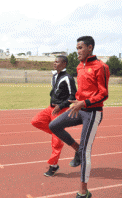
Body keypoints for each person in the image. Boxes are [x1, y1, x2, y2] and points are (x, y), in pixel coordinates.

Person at [49, 36, 110, 198]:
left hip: (93, 112)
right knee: (54, 126)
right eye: (77, 48)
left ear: (90, 48)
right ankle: (76, 149)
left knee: (86, 152)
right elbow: (81, 90)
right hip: (79, 108)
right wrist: (74, 101)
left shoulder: (101, 66)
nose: (77, 52)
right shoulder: (79, 67)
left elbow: (104, 94)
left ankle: (83, 192)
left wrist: (83, 103)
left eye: (80, 48)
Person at [31, 55, 77, 177]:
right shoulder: (54, 76)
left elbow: (73, 97)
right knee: (35, 121)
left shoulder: (68, 78)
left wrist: (61, 106)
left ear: (64, 64)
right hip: (50, 108)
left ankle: (54, 166)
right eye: (54, 61)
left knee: (56, 143)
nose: (54, 63)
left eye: (57, 62)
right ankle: (57, 131)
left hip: (60, 110)